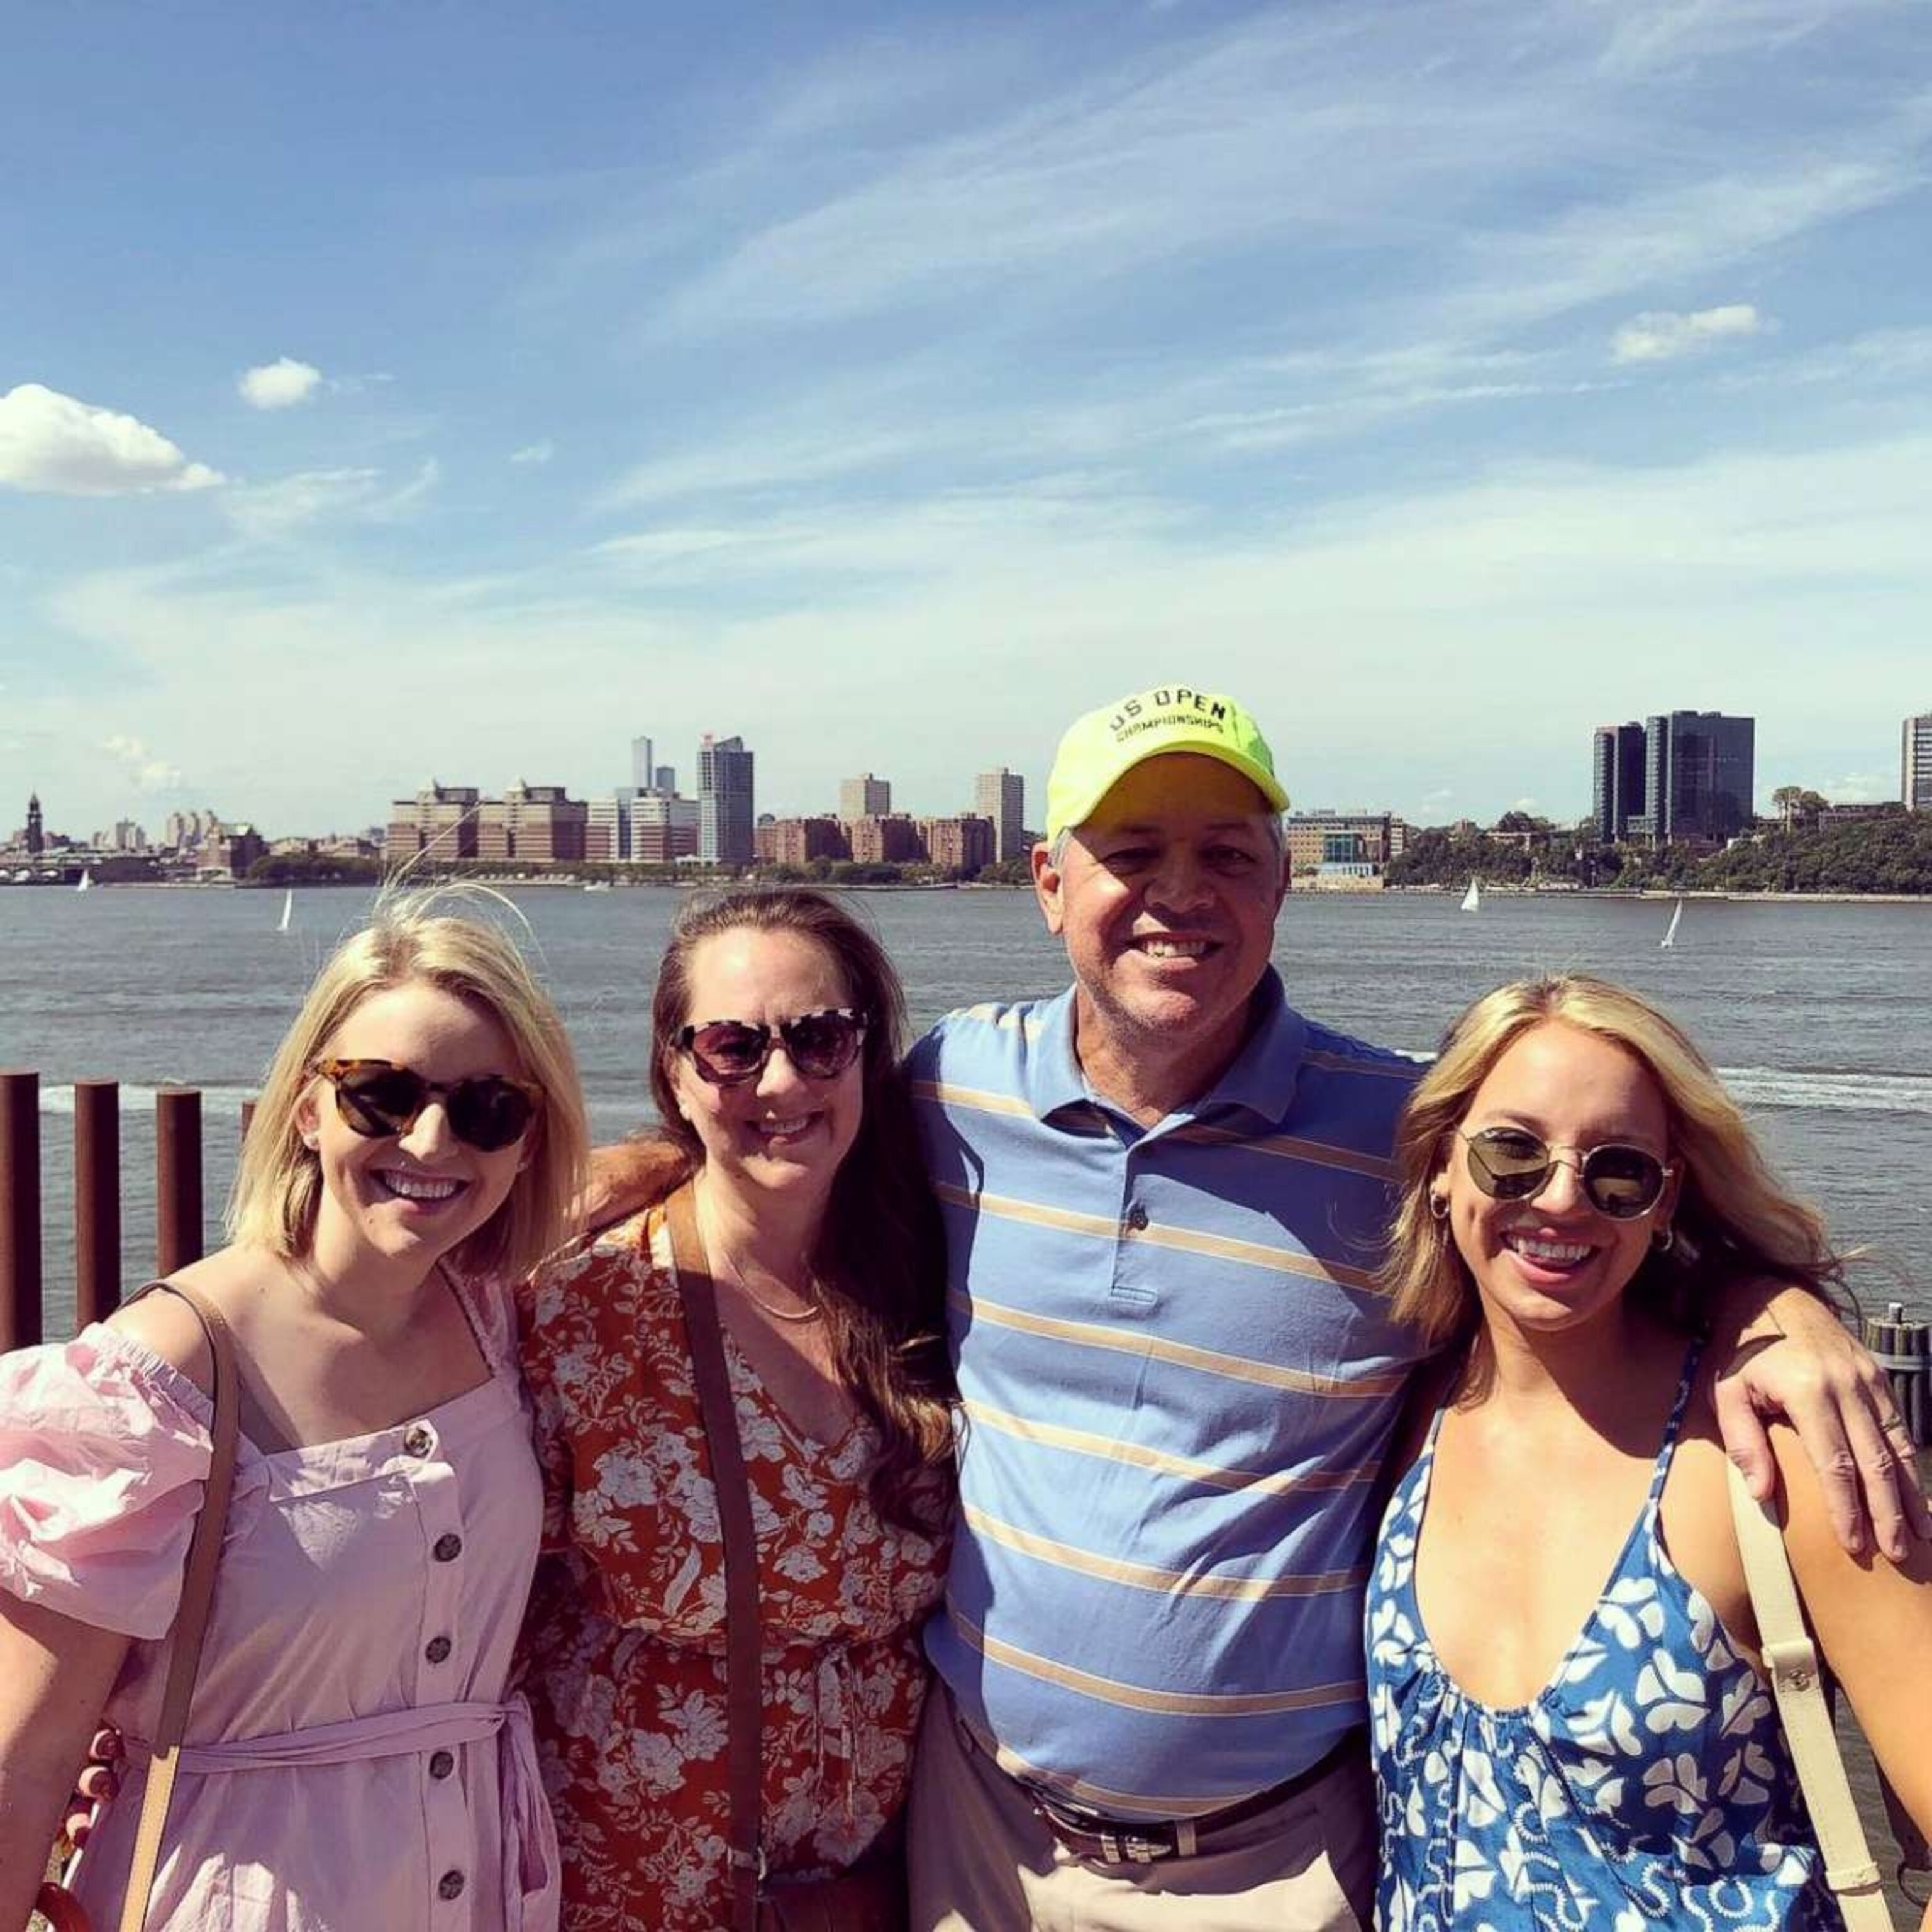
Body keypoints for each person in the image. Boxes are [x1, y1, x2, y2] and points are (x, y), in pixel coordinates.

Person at [891, 685, 1921, 1931]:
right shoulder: (946, 1090)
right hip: (981, 1838)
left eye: (1226, 855)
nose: (1180, 893)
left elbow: (1585, 1231)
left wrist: (1780, 1311)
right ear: (1050, 884)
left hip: (1273, 1869)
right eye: (1131, 854)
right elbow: (768, 1173)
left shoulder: (1402, 1132)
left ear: (1280, 885)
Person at [0, 895, 589, 1932]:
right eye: (383, 1096)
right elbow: (26, 1754)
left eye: (489, 1109)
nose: (435, 1139)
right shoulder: (165, 1373)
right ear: (308, 1109)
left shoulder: (495, 1319)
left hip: (482, 1893)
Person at [1369, 975, 1931, 1929]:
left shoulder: (1777, 1459)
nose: (1560, 1199)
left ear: (1665, 1199)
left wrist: (1772, 1301)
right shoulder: (1406, 1416)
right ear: (1440, 1167)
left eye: (1617, 1169)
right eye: (1511, 1153)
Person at [516, 888, 955, 1932]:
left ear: (867, 1053)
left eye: (821, 1038)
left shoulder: (933, 1274)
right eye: (731, 1046)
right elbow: (452, 1589)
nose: (783, 1079)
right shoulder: (584, 1309)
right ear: (676, 1068)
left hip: (882, 1892)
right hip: (629, 1895)